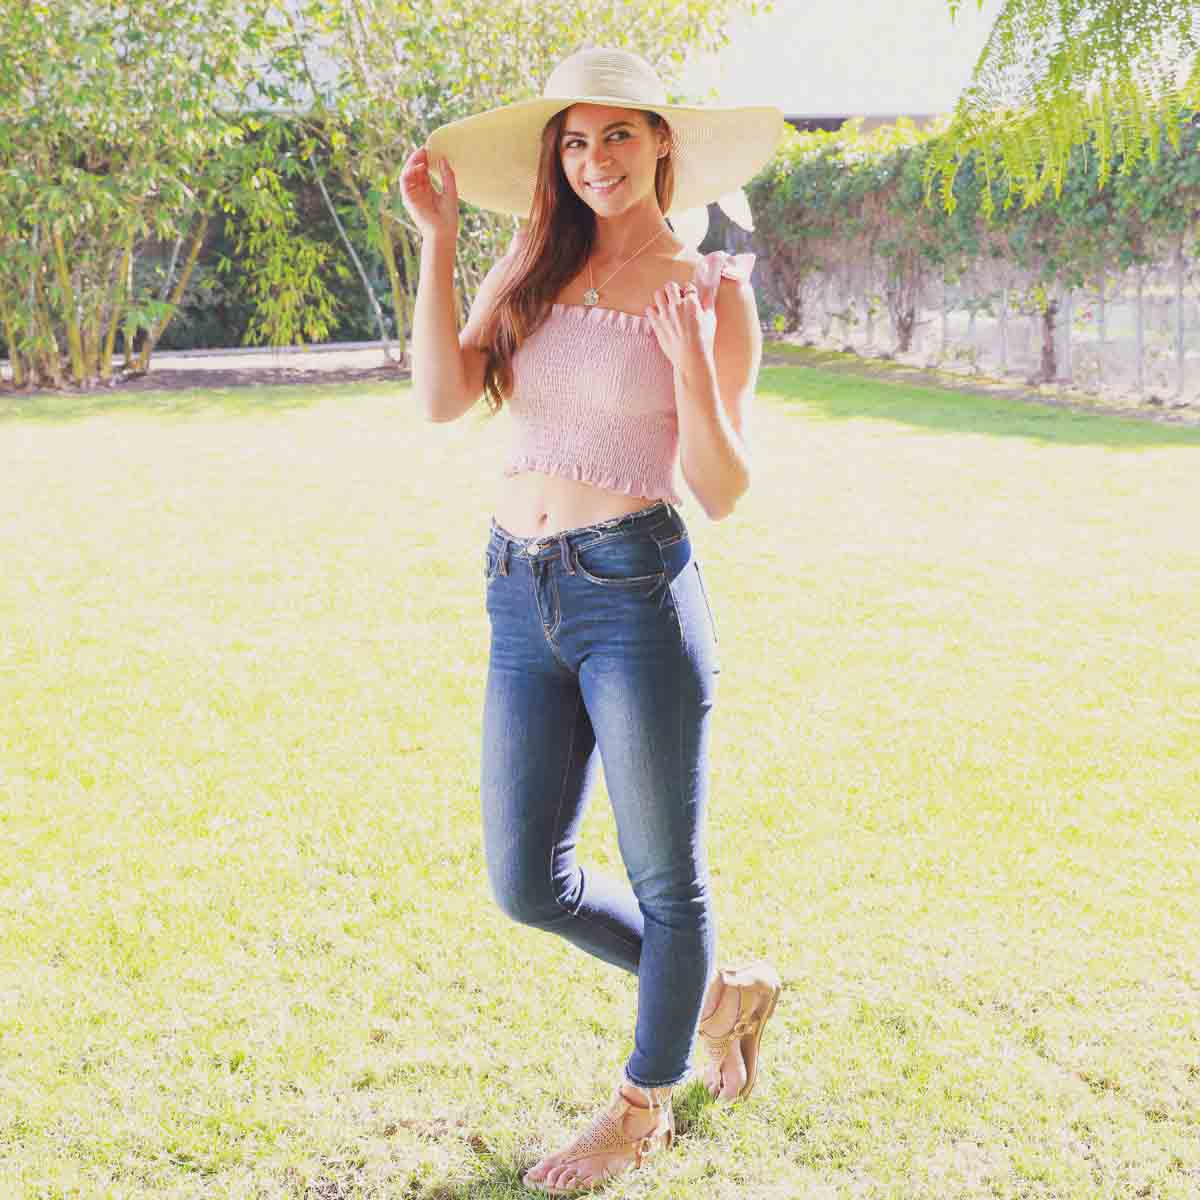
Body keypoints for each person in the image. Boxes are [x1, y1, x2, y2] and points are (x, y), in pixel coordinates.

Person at [401, 46, 785, 1195]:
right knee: (526, 881)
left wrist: (690, 367)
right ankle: (719, 995)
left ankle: (637, 1109)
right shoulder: (531, 260)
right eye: (574, 141)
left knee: (668, 880)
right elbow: (441, 397)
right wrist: (437, 244)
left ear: (663, 144)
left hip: (634, 595)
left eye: (618, 135)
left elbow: (720, 490)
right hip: (518, 590)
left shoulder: (710, 289)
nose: (595, 160)